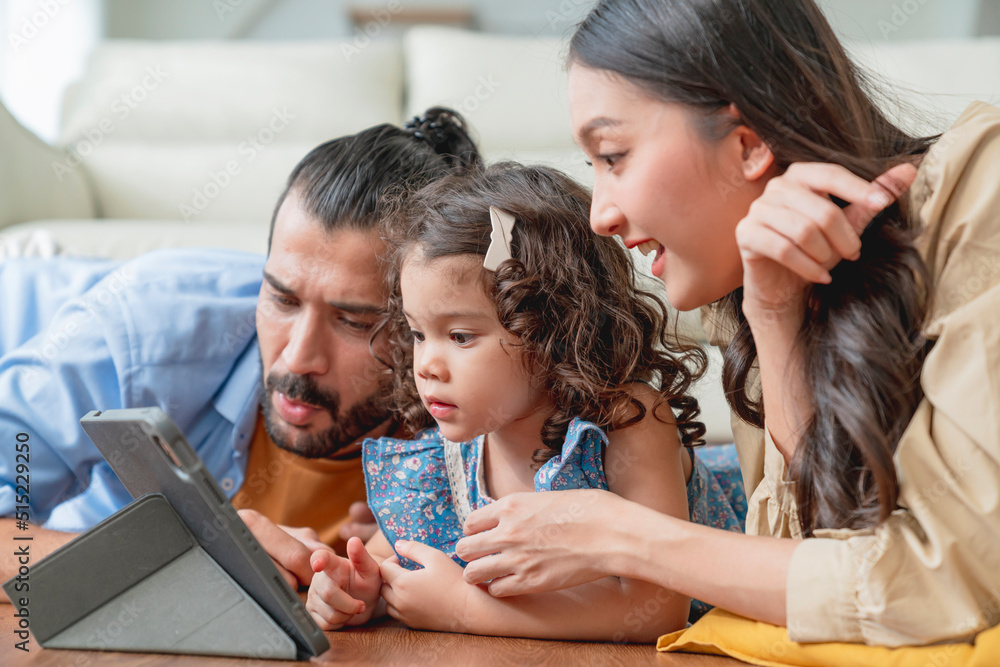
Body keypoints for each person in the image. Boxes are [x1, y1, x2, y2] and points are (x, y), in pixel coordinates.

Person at [453, 0, 1000, 647]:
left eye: (613, 154)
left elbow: (953, 580)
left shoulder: (981, 195)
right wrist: (775, 315)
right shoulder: (746, 292)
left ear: (750, 144)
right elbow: (805, 576)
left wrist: (618, 533)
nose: (600, 213)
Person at [0, 108, 481, 594]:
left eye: (354, 322)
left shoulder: (480, 398)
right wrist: (179, 557)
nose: (297, 358)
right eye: (281, 299)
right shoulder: (141, 329)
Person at [304, 162, 747, 641]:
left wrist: (463, 608)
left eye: (460, 335)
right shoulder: (445, 460)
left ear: (552, 329)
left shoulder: (628, 421)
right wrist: (353, 590)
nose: (427, 363)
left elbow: (657, 610)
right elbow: (379, 564)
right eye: (417, 333)